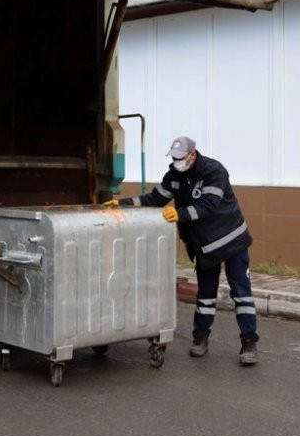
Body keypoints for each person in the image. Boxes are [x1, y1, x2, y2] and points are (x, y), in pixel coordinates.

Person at [104, 135, 259, 365]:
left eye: (180, 157)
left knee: (241, 293)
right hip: (205, 246)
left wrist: (181, 214)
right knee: (205, 296)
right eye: (174, 157)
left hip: (232, 240)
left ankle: (249, 343)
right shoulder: (174, 176)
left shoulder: (213, 171)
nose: (177, 161)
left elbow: (209, 205)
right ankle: (200, 339)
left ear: (192, 154)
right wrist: (124, 203)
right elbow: (155, 198)